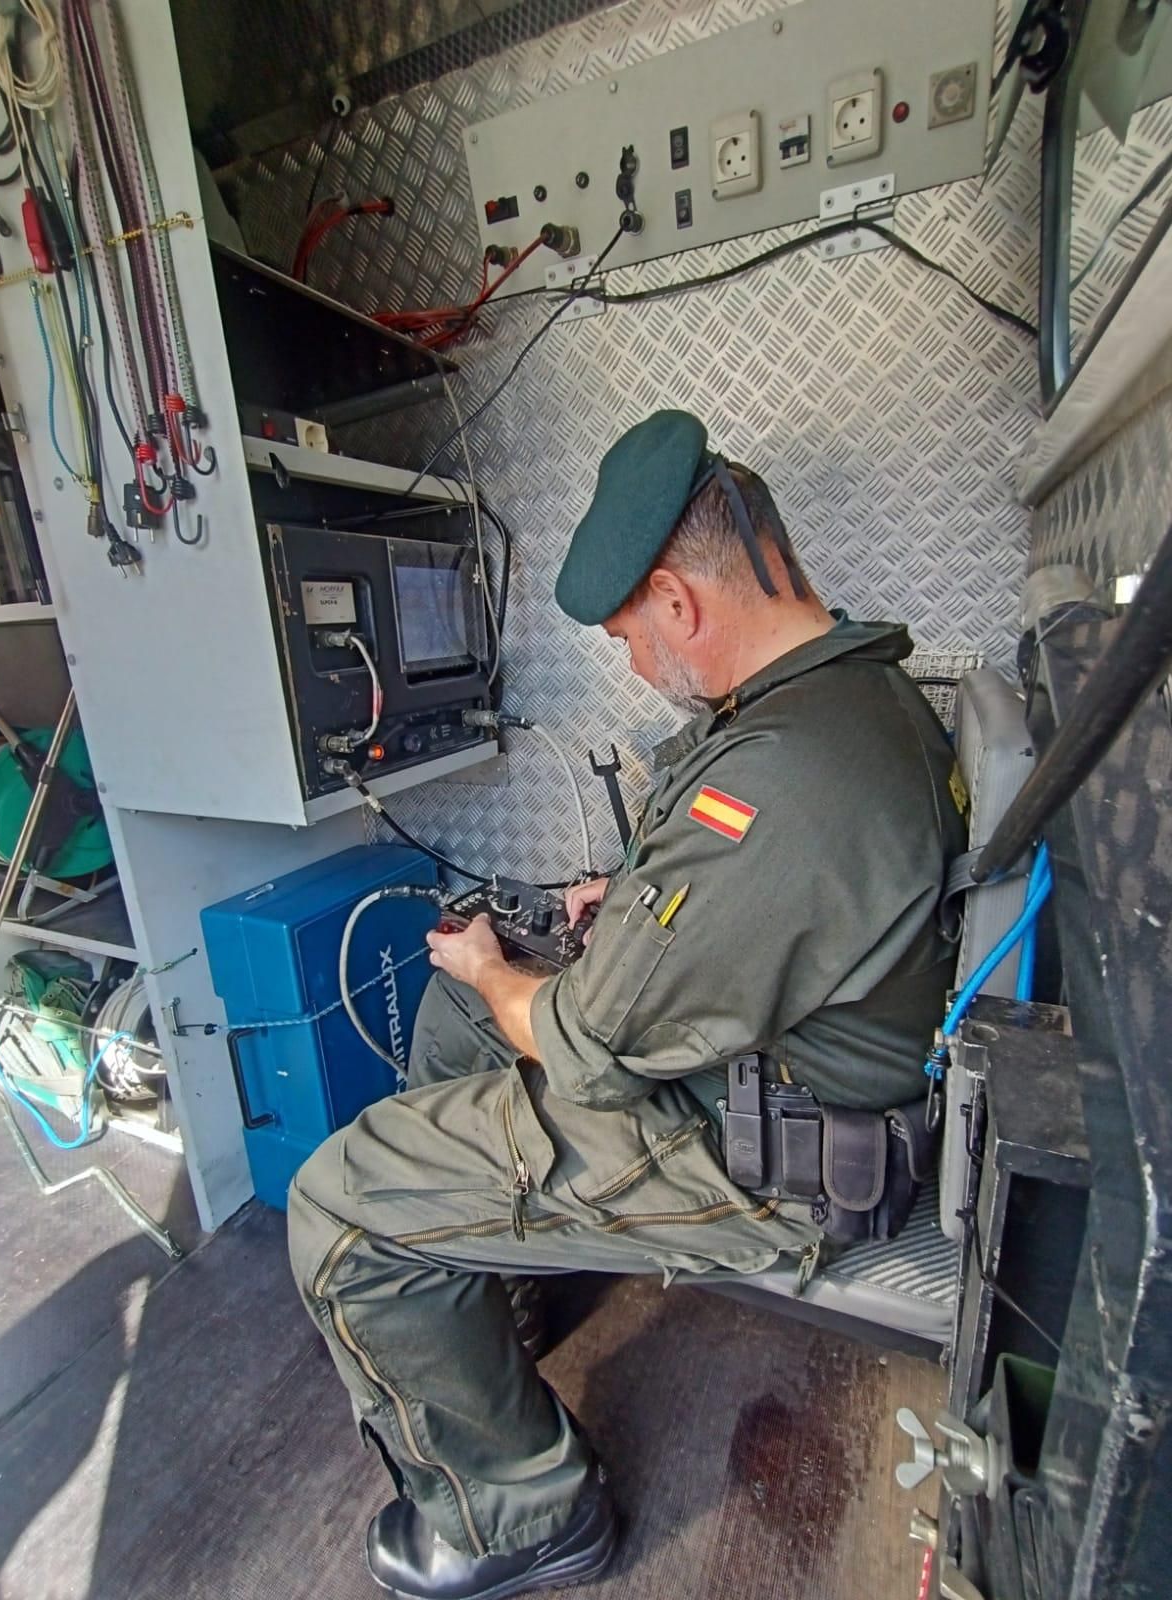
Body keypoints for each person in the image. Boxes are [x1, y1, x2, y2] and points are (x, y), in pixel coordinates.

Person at [287, 409, 967, 1600]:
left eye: (628, 636)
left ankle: (523, 1516)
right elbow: (754, 899)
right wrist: (638, 898)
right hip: (775, 1068)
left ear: (679, 601)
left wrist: (499, 971)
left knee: (342, 1201)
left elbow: (588, 1048)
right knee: (455, 1030)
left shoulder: (783, 775)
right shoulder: (836, 700)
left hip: (764, 1158)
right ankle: (482, 1289)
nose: (638, 665)